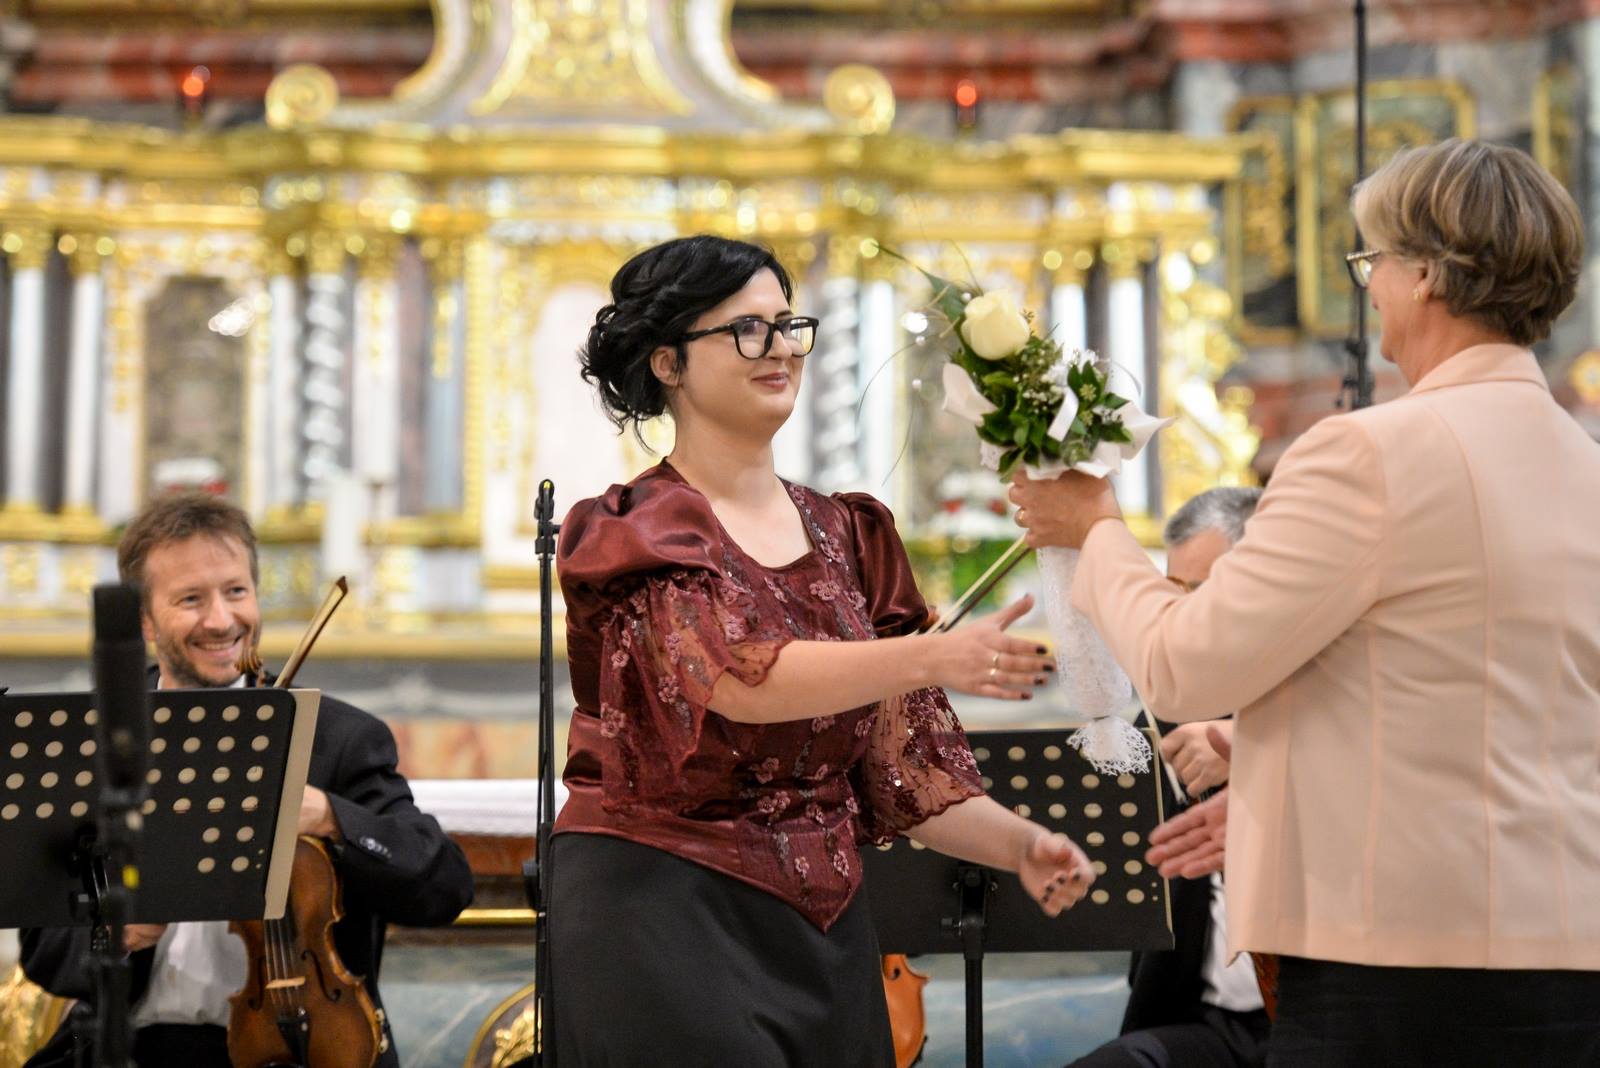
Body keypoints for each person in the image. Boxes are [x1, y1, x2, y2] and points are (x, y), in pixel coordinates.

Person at [1010, 137, 1600, 1066]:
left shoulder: (1367, 453)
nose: (1368, 290)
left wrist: (1095, 529)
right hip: (1568, 949)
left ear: (1427, 276)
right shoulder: (1583, 464)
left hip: (1397, 963)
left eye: (1371, 262)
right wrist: (1262, 745)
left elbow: (1183, 663)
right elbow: (1508, 700)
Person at [551, 234, 1097, 1067]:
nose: (780, 351)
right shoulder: (638, 527)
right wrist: (928, 658)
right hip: (660, 898)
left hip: (826, 916)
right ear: (667, 363)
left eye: (787, 325)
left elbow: (903, 764)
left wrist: (1021, 846)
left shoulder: (848, 531)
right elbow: (734, 676)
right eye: (746, 330)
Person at [21, 493, 475, 1068]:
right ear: (144, 618)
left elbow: (444, 888)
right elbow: (42, 951)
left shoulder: (336, 737)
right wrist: (114, 934)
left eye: (236, 591)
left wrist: (331, 817)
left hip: (298, 1048)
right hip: (136, 1048)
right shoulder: (97, 740)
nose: (221, 620)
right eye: (191, 599)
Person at [1069, 487, 1267, 1068]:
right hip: (1202, 1019)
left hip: (1320, 1013)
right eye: (1173, 593)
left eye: (1203, 593)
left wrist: (1248, 761)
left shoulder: (1313, 700)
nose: (1184, 617)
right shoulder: (1164, 714)